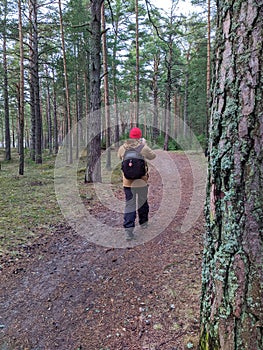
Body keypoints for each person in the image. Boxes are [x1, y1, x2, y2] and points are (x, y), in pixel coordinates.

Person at [117, 127, 156, 240]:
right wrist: (144, 144)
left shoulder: (123, 147)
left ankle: (128, 230)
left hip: (128, 182)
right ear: (139, 136)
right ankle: (143, 223)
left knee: (130, 204)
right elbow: (153, 156)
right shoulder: (143, 147)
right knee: (142, 202)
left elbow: (119, 157)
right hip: (141, 181)